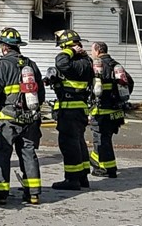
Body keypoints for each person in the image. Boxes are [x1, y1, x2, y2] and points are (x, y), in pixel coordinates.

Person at [0, 27, 45, 205]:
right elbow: (41, 94)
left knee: (1, 154)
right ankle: (33, 193)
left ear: (4, 47)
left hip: (7, 120)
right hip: (30, 119)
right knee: (28, 153)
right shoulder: (31, 65)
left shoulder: (2, 65)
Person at [49, 30, 93, 190]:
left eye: (63, 47)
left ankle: (72, 179)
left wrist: (71, 50)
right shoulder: (85, 61)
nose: (62, 51)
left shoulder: (77, 61)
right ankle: (82, 177)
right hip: (77, 109)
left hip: (70, 110)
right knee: (78, 141)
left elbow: (61, 62)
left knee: (69, 144)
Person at [89, 41, 131, 178]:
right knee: (106, 140)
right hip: (116, 112)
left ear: (97, 51)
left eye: (92, 50)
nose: (91, 53)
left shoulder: (96, 66)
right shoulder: (116, 65)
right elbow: (130, 83)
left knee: (101, 141)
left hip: (101, 111)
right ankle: (106, 166)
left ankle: (105, 169)